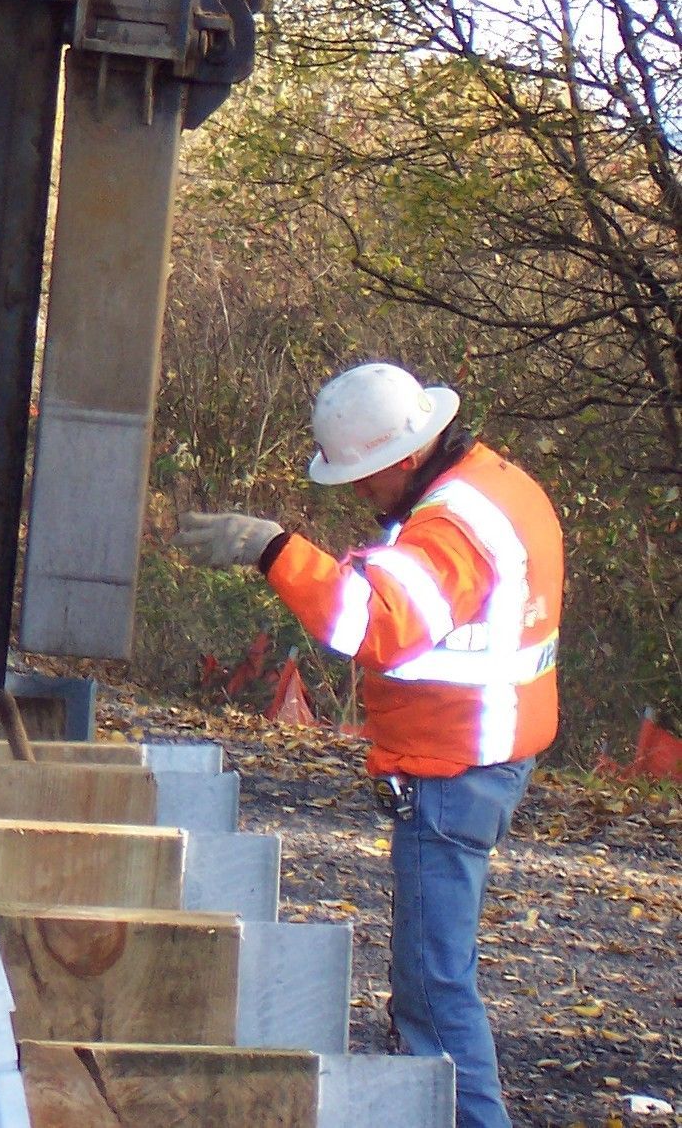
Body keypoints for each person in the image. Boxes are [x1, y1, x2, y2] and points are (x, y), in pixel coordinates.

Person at [175, 362, 561, 1128]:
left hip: (456, 770)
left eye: (362, 477)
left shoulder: (453, 525)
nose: (355, 493)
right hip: (484, 757)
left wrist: (273, 548)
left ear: (407, 457)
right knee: (436, 981)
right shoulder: (493, 485)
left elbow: (370, 623)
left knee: (433, 991)